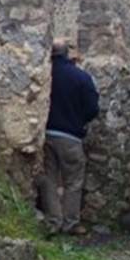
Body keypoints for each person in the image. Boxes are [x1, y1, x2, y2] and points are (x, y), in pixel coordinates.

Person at [42, 39, 99, 235]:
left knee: (49, 177)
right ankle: (70, 222)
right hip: (71, 136)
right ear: (67, 54)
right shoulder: (81, 77)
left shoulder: (45, 73)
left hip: (46, 133)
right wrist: (79, 120)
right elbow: (93, 109)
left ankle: (53, 220)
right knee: (73, 181)